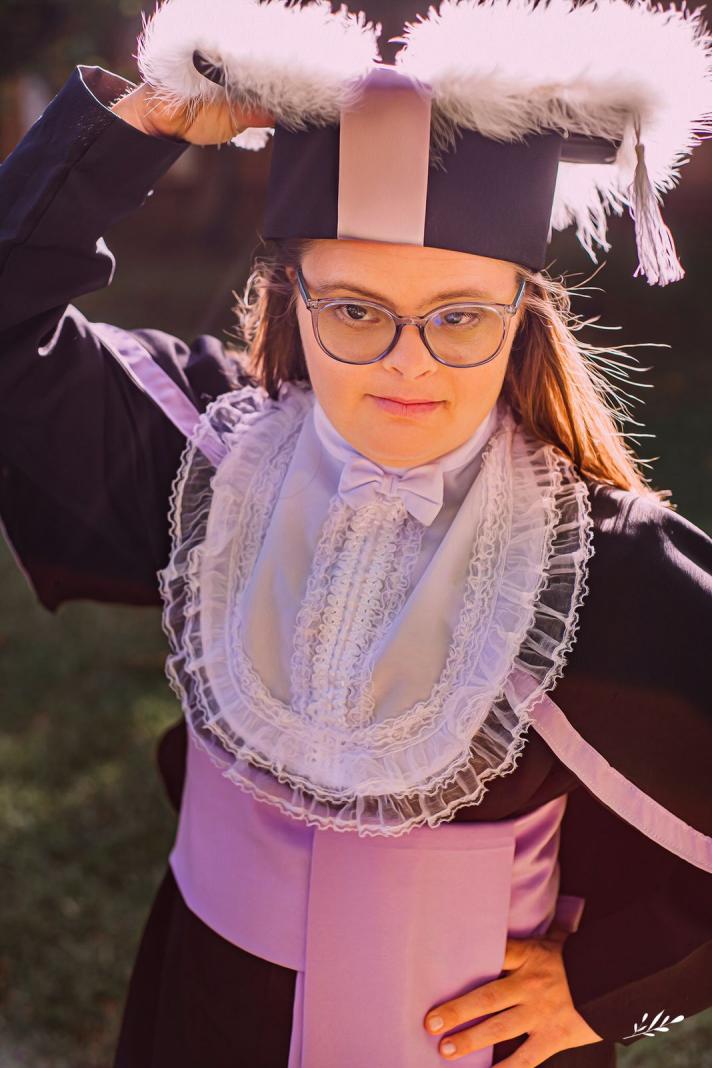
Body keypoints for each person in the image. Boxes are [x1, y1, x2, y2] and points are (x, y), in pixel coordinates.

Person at [1, 1, 711, 1066]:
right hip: (201, 1018)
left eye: (460, 315)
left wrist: (619, 1004)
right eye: (354, 310)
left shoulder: (605, 565)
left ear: (522, 314)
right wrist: (136, 128)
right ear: (292, 300)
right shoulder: (206, 461)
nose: (406, 363)